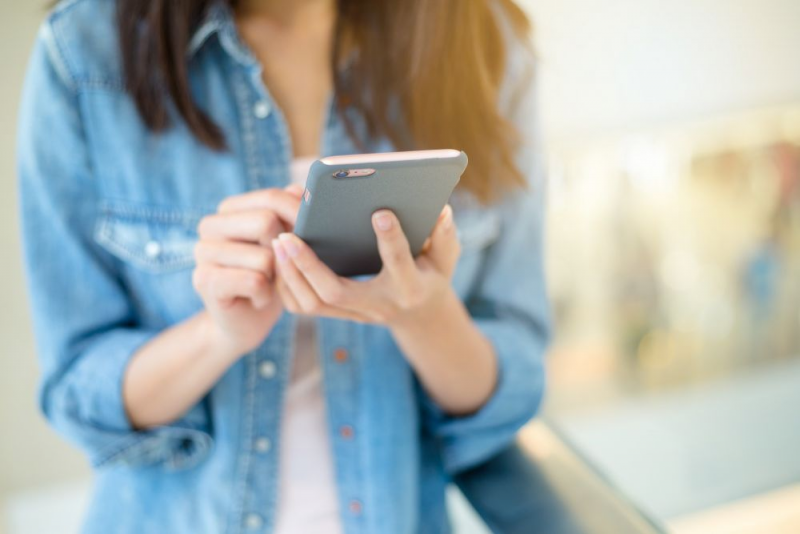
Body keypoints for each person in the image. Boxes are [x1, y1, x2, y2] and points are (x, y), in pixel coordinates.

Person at [17, 0, 550, 532]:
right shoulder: (83, 52)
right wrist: (218, 335)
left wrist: (424, 317)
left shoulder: (483, 40)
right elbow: (77, 394)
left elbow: (513, 390)